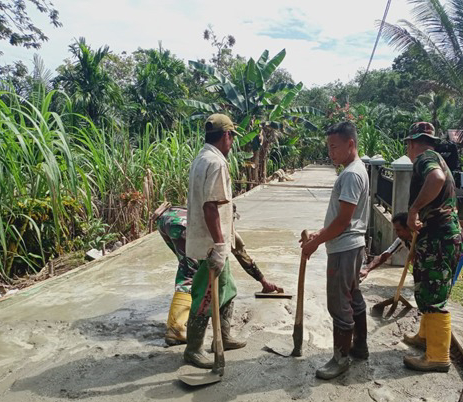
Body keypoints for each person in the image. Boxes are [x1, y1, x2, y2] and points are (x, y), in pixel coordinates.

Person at [152, 202, 283, 347]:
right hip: (184, 225)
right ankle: (176, 329)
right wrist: (263, 281)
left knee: (187, 265)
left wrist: (263, 281)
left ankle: (181, 325)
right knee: (190, 272)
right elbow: (241, 255)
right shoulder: (220, 226)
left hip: (166, 219)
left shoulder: (205, 214)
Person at [301, 121, 370, 380]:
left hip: (344, 248)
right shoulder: (357, 169)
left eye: (334, 147)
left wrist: (316, 243)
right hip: (353, 244)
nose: (331, 153)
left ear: (350, 144)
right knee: (353, 297)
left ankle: (341, 359)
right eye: (328, 147)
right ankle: (359, 347)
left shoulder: (351, 174)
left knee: (339, 304)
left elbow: (343, 221)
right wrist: (320, 233)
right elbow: (344, 220)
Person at [183, 113, 245, 369]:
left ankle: (224, 336)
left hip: (209, 239)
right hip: (211, 245)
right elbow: (210, 207)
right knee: (206, 296)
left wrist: (230, 234)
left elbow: (216, 207)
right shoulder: (217, 163)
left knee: (227, 290)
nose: (232, 143)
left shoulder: (201, 158)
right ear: (226, 135)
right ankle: (193, 349)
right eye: (231, 137)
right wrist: (220, 245)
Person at [402, 122, 463, 373]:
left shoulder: (425, 158)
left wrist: (414, 209)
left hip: (439, 238)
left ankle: (438, 356)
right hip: (441, 235)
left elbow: (436, 179)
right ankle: (425, 337)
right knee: (428, 289)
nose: (407, 148)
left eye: (408, 144)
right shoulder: (437, 156)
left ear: (414, 143)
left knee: (434, 295)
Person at [360, 213, 463, 287]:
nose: (396, 233)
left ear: (408, 228)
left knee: (447, 274)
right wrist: (367, 269)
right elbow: (385, 255)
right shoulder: (402, 239)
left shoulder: (424, 235)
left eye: (398, 230)